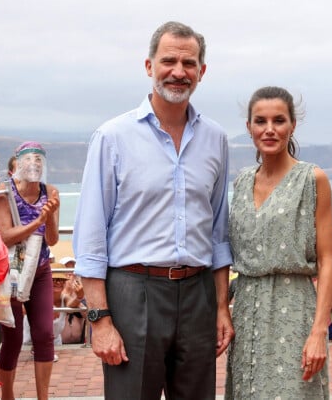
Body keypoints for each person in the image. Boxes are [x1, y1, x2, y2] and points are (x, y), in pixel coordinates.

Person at [72, 21, 233, 400]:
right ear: (149, 66)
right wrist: (100, 321)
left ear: (202, 72)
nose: (179, 72)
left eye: (189, 63)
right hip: (133, 292)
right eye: (169, 61)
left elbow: (218, 233)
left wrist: (221, 308)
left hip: (198, 294)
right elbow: (91, 236)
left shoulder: (216, 138)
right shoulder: (112, 137)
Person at [225, 86, 332, 399]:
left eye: (279, 120)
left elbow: (327, 260)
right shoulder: (242, 180)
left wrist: (318, 331)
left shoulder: (313, 179)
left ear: (292, 125)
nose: (269, 129)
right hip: (246, 310)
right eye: (260, 121)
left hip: (295, 309)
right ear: (249, 127)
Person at [0, 141, 60, 400]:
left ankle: (43, 396)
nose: (34, 165)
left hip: (41, 270)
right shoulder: (5, 192)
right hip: (13, 271)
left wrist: (50, 219)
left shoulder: (50, 191)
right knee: (13, 336)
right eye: (29, 160)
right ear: (17, 163)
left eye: (39, 160)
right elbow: (5, 236)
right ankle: (7, 395)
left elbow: (52, 240)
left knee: (44, 333)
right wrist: (39, 221)